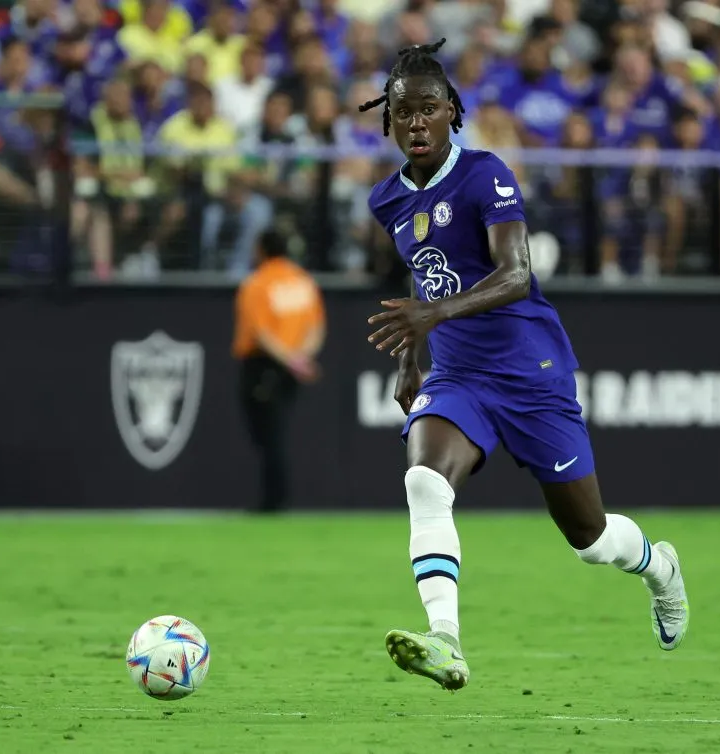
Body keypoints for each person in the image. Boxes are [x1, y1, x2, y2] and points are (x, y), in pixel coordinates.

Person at [360, 39, 690, 692]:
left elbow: (515, 274)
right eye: (405, 113)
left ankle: (659, 567)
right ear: (389, 121)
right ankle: (445, 640)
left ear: (451, 112)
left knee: (591, 540)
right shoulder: (386, 200)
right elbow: (422, 279)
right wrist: (410, 357)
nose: (417, 123)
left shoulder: (486, 174)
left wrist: (433, 315)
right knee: (424, 481)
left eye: (429, 108)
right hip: (459, 376)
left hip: (530, 373)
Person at [232, 229, 326, 513]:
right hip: (291, 368)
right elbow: (316, 328)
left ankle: (273, 501)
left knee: (266, 435)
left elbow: (261, 334)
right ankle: (276, 497)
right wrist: (300, 359)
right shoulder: (303, 281)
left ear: (262, 250)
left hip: (263, 366)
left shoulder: (257, 283)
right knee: (275, 432)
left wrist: (289, 360)